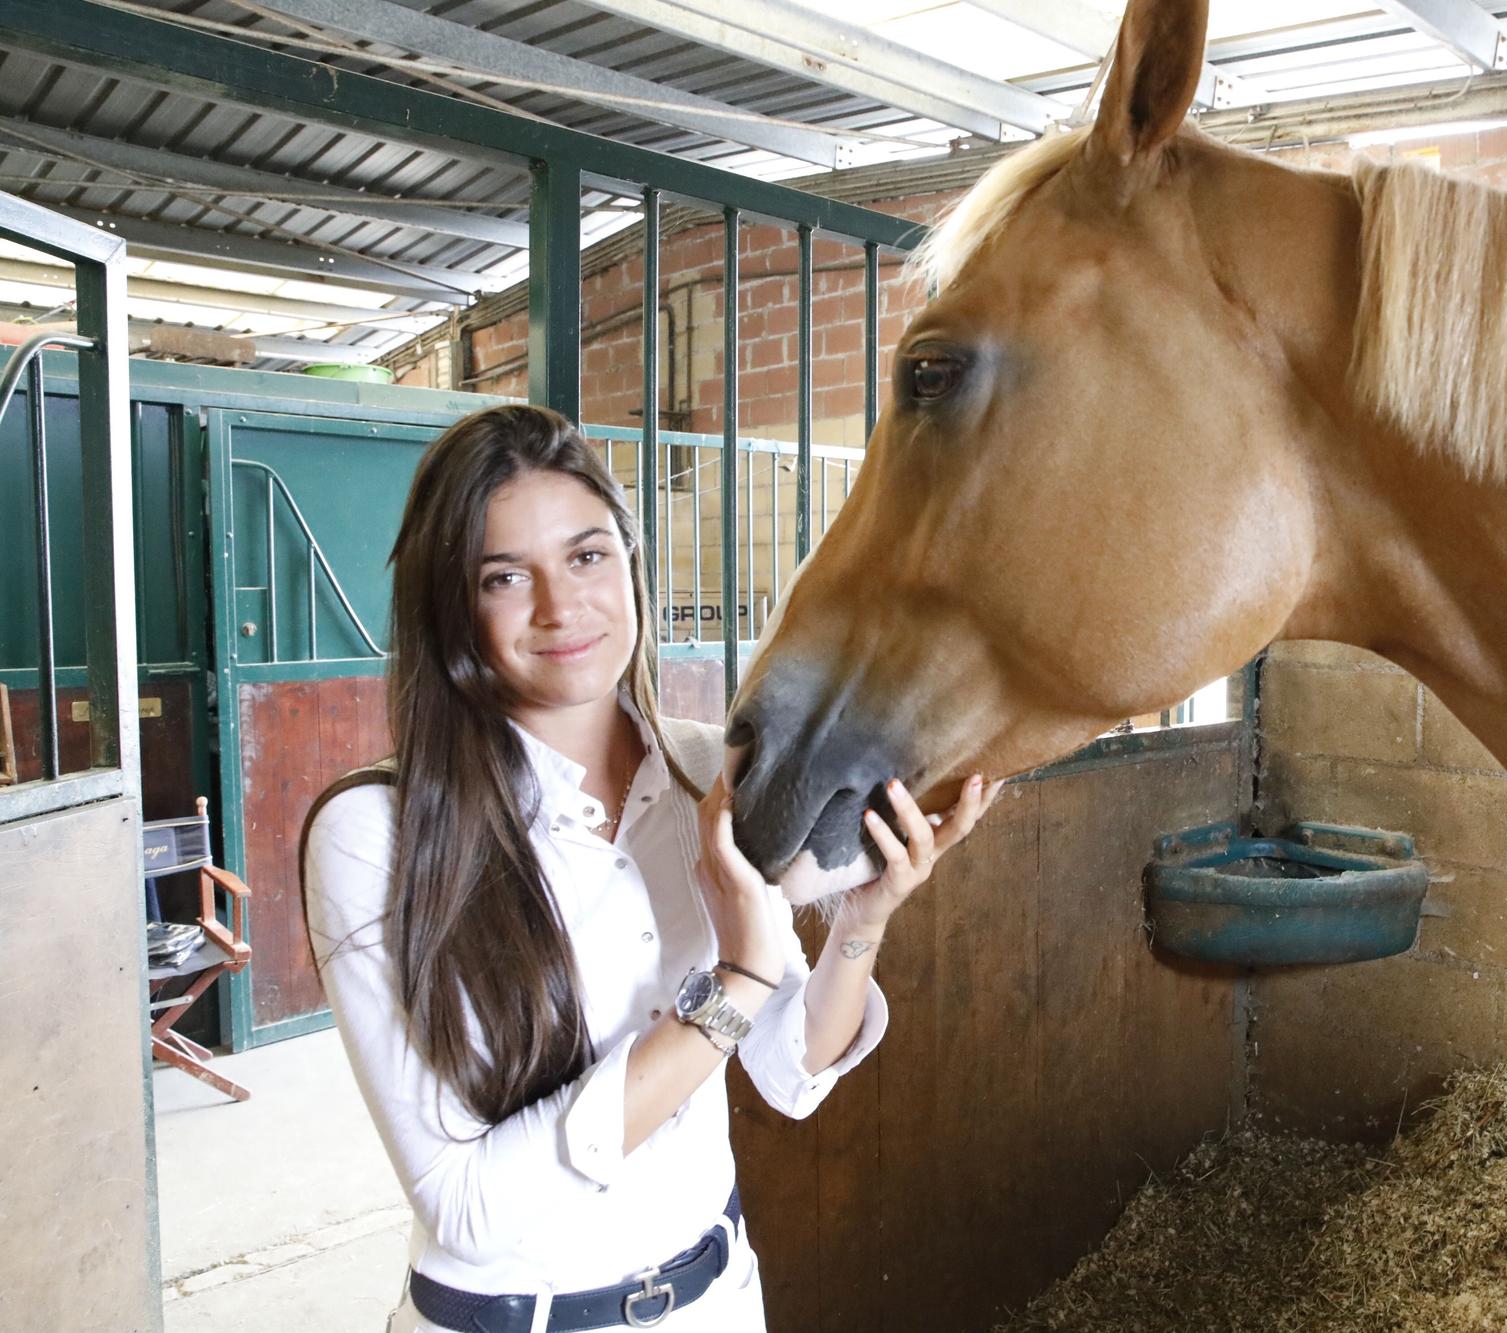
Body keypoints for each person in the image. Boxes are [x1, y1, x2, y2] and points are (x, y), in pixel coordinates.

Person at [303, 403, 1000, 1333]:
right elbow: (466, 1208)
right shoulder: (375, 834)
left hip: (717, 1296)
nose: (562, 607)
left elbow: (791, 1070)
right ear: (452, 606)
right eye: (507, 576)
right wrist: (737, 985)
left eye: (588, 555)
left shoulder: (708, 770)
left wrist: (865, 918)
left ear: (630, 561)